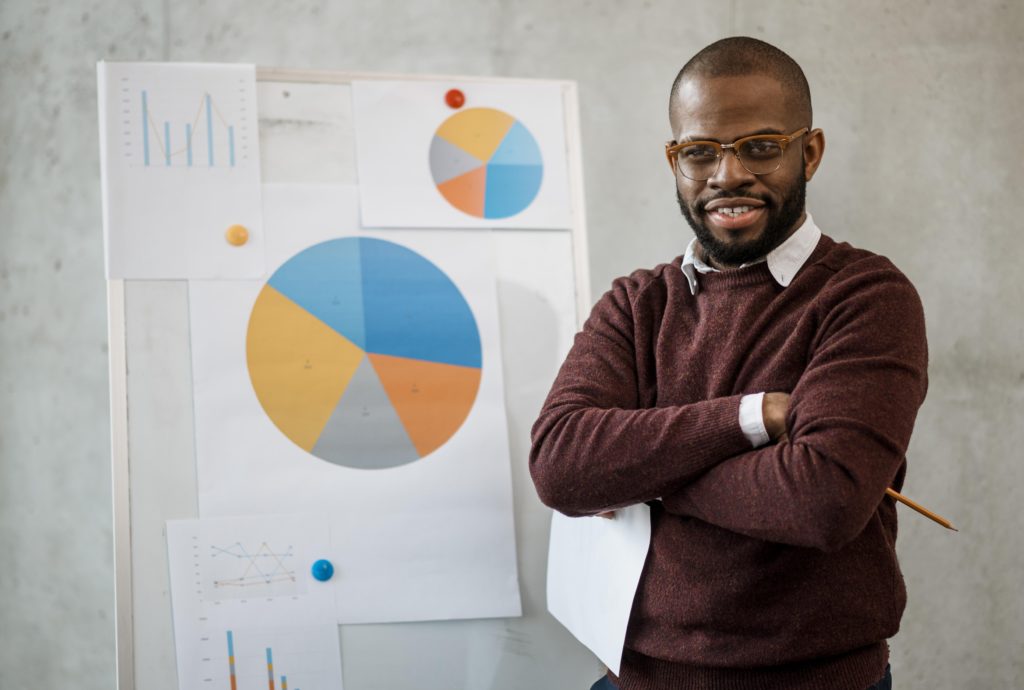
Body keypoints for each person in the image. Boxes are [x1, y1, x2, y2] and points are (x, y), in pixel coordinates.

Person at [530, 36, 928, 690]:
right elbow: (559, 464)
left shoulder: (865, 296)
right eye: (700, 152)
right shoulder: (637, 304)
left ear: (810, 151)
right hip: (636, 678)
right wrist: (750, 418)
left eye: (761, 147)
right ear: (674, 160)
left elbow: (822, 499)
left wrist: (640, 476)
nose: (727, 174)